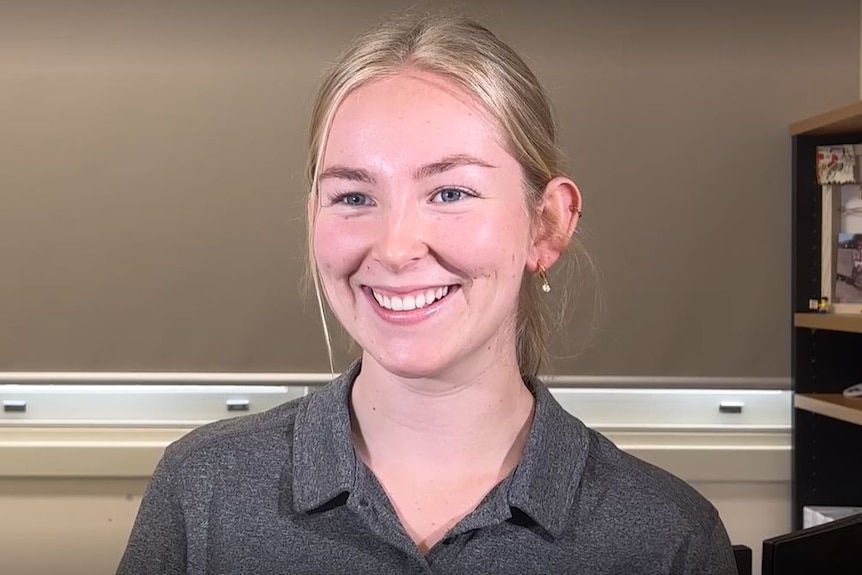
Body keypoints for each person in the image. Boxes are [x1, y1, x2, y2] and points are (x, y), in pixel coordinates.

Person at [117, 11, 738, 575]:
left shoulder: (668, 538)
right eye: (354, 197)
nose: (394, 247)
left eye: (450, 193)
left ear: (546, 224)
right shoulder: (203, 491)